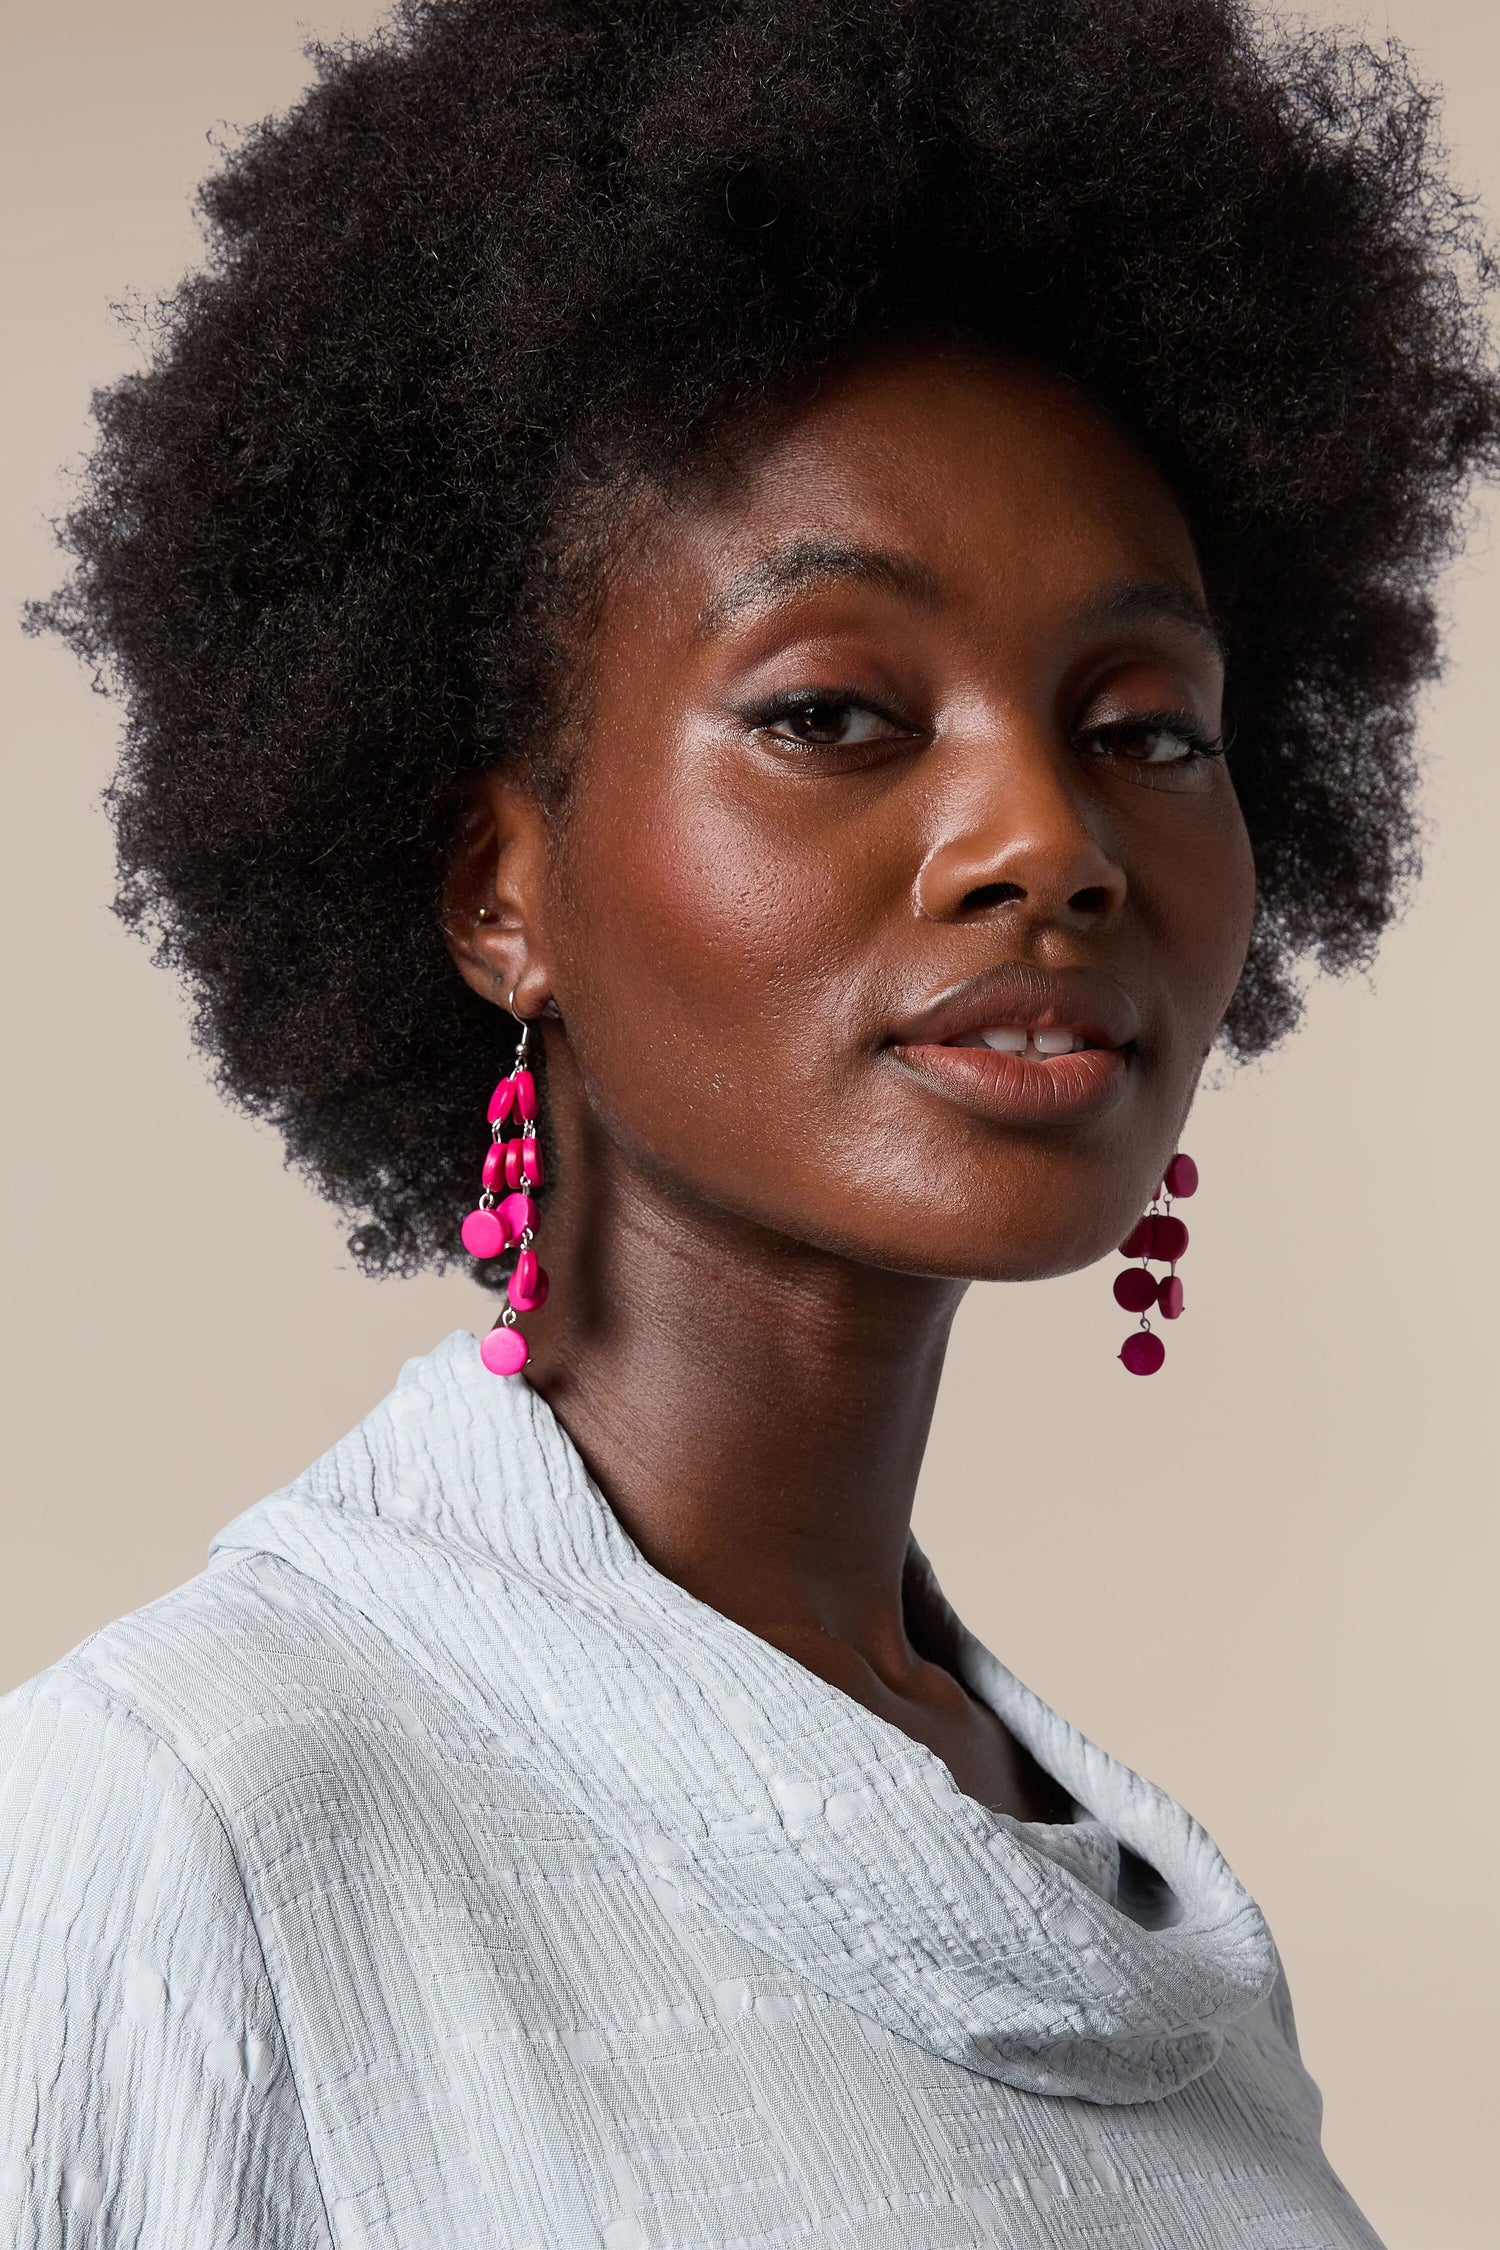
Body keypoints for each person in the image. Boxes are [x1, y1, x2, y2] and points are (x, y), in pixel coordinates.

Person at [4, 0, 1495, 2241]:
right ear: (496, 891)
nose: (1045, 841)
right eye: (833, 712)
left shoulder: (1164, 1950)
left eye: (1145, 728)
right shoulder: (195, 1819)